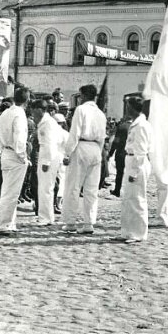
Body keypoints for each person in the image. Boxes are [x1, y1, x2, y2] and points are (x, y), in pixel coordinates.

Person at [60, 84, 107, 235]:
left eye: (80, 96)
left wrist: (67, 153)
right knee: (91, 189)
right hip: (95, 149)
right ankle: (89, 223)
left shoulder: (81, 110)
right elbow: (102, 137)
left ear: (85, 96)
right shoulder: (101, 113)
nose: (79, 99)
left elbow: (74, 133)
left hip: (81, 146)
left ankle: (70, 222)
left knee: (73, 186)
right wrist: (98, 153)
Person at [0, 88, 30, 236]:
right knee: (11, 193)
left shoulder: (6, 112)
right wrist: (22, 156)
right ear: (27, 101)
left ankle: (10, 222)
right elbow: (19, 137)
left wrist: (2, 148)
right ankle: (1, 225)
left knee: (8, 190)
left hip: (6, 153)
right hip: (15, 154)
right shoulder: (20, 114)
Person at [117, 97, 153, 243]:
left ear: (132, 108)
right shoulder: (135, 124)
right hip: (131, 160)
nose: (126, 109)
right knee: (128, 199)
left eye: (127, 107)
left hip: (138, 163)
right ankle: (127, 232)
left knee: (137, 199)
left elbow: (141, 151)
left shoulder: (141, 126)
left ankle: (139, 233)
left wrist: (135, 171)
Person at [32, 99, 65, 226]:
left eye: (33, 110)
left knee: (45, 188)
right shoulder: (46, 122)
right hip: (49, 155)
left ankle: (45, 218)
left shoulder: (47, 123)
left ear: (39, 109)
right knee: (45, 188)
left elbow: (50, 143)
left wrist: (46, 161)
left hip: (48, 157)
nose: (32, 113)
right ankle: (46, 216)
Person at [109, 115, 132, 197]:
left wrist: (111, 153)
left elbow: (116, 141)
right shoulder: (134, 127)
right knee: (130, 173)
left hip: (121, 153)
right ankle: (129, 192)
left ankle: (117, 190)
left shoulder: (122, 126)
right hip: (131, 154)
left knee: (119, 173)